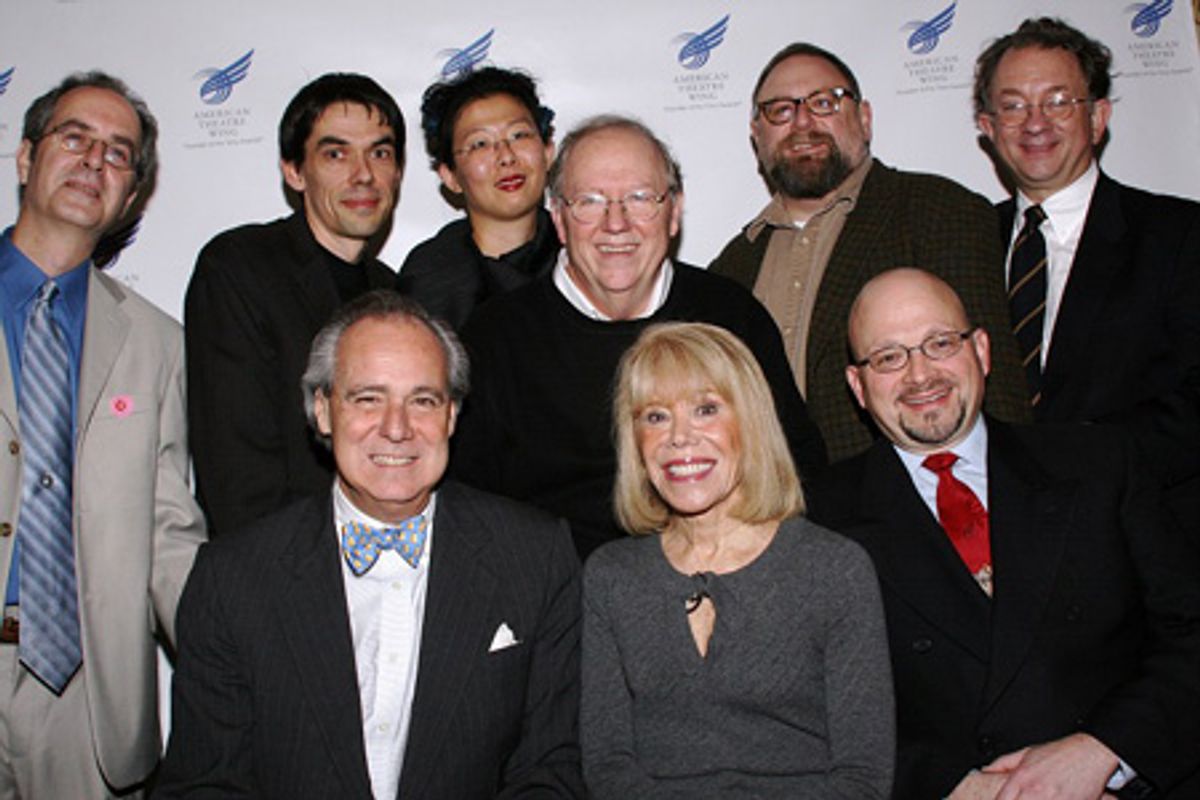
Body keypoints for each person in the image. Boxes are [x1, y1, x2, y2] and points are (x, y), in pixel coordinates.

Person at [156, 290, 584, 799]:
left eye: (423, 400)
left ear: (451, 415)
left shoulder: (535, 558)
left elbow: (551, 772)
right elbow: (205, 785)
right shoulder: (233, 578)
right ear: (323, 411)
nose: (397, 428)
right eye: (368, 399)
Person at [806, 268, 1200, 799]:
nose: (920, 376)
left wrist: (1103, 752)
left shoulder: (1098, 464)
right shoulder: (818, 519)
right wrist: (971, 790)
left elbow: (1191, 635)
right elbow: (812, 708)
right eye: (889, 357)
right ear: (858, 385)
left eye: (940, 344)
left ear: (983, 350)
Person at [453, 115, 826, 558]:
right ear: (558, 217)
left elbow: (797, 475)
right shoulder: (495, 337)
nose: (617, 223)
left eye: (640, 198)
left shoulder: (731, 318)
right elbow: (468, 514)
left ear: (674, 211)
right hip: (557, 597)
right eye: (590, 201)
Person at [0, 72, 205, 797]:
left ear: (130, 195)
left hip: (88, 696)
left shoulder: (158, 344)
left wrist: (235, 658)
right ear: (26, 158)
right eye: (74, 138)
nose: (94, 161)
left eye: (119, 154)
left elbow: (167, 531)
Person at [582, 321, 893, 797]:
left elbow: (863, 779)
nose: (678, 438)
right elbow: (608, 767)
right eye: (655, 416)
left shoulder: (834, 570)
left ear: (750, 424)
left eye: (705, 410)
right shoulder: (611, 576)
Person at [710, 42, 1029, 462]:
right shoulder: (731, 268)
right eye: (780, 111)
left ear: (864, 118)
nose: (803, 122)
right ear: (757, 133)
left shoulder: (939, 211)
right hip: (776, 517)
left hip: (911, 511)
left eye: (824, 103)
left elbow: (997, 385)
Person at [974, 17, 1200, 541]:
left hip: (1147, 542)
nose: (1035, 123)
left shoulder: (1180, 236)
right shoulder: (968, 239)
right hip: (1007, 549)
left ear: (1098, 118)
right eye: (1013, 105)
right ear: (988, 127)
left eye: (1058, 101)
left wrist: (1078, 464)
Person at [185, 73, 404, 536]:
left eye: (380, 153)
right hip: (280, 569)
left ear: (398, 173)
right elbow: (236, 470)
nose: (363, 174)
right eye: (336, 153)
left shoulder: (399, 297)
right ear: (294, 171)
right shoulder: (240, 268)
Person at [398, 66, 558, 330]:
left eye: (519, 135)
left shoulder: (582, 254)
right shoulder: (430, 278)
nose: (506, 156)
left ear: (548, 151)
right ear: (450, 176)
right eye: (480, 144)